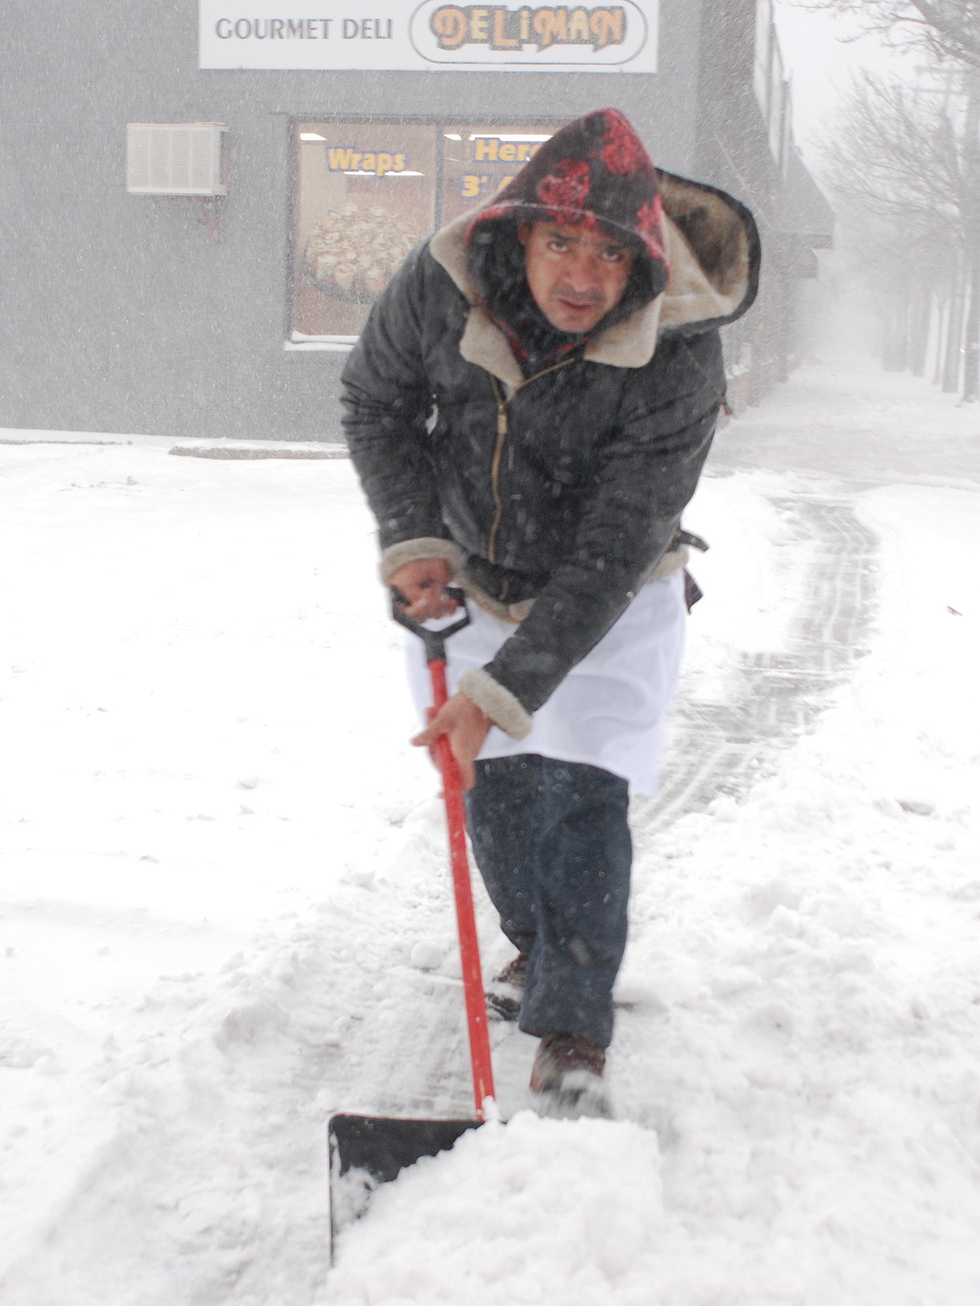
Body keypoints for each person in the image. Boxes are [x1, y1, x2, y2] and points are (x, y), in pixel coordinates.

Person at [342, 107, 759, 1114]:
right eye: (561, 241)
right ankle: (540, 941)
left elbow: (614, 548)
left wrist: (507, 686)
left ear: (644, 260)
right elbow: (376, 401)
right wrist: (413, 541)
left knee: (579, 788)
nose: (582, 274)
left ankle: (575, 1024)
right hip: (473, 572)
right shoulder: (442, 285)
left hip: (615, 596)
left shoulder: (680, 355)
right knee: (494, 792)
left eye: (610, 253)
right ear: (518, 232)